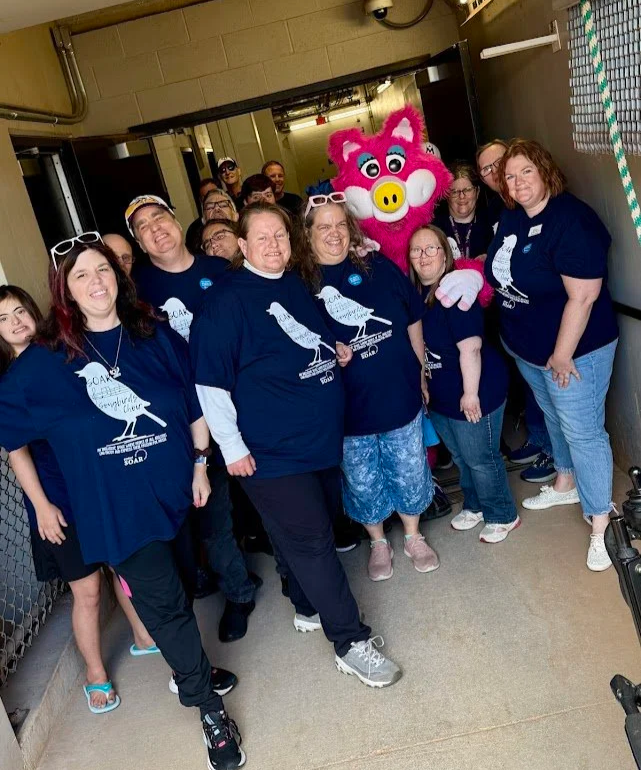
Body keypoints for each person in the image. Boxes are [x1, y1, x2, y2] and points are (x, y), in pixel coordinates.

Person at [0, 237, 244, 768]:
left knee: (182, 589)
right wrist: (40, 500)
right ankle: (206, 706)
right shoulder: (46, 363)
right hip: (115, 513)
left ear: (118, 276)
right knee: (169, 607)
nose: (95, 282)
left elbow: (191, 403)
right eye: (80, 275)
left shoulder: (151, 334)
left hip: (174, 496)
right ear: (64, 289)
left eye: (102, 270)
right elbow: (12, 434)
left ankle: (191, 668)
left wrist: (201, 463)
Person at [190, 203, 402, 688]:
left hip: (319, 441)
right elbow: (210, 385)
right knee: (312, 541)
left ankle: (306, 603)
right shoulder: (224, 303)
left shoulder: (291, 282)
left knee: (308, 528)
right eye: (261, 238)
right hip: (270, 451)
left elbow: (307, 335)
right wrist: (232, 447)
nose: (273, 245)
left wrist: (335, 348)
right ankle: (350, 641)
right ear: (241, 246)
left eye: (281, 236)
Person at [0, 284, 157, 715]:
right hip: (57, 501)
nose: (16, 322)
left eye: (20, 311)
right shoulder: (11, 384)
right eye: (3, 319)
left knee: (121, 564)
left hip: (94, 486)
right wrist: (42, 507)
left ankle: (144, 636)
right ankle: (95, 674)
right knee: (86, 590)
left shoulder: (65, 358)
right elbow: (18, 453)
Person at [128, 194, 260, 642]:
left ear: (175, 219)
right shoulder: (137, 289)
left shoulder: (217, 270)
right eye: (142, 226)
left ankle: (278, 571)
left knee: (263, 495)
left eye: (159, 217)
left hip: (240, 405)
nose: (155, 228)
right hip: (185, 421)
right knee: (212, 518)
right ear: (139, 241)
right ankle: (239, 594)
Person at [486, 139, 619, 571]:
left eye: (526, 171)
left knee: (583, 431)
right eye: (509, 175)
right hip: (528, 348)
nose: (518, 181)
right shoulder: (511, 218)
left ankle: (602, 524)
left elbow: (583, 297)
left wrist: (562, 356)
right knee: (556, 417)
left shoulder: (572, 220)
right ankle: (565, 481)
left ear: (545, 169)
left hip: (575, 352)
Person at [298, 194, 439, 581]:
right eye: (323, 227)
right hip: (346, 408)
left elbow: (412, 318)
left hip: (397, 392)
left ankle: (412, 535)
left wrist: (421, 370)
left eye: (340, 225)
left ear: (351, 229)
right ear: (307, 235)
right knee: (361, 479)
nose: (333, 234)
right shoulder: (299, 286)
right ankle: (378, 541)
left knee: (409, 468)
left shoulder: (377, 266)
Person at [409, 226, 520, 543]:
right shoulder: (418, 295)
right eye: (417, 250)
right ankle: (475, 505)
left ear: (445, 253)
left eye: (431, 248)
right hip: (443, 396)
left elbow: (470, 348)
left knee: (482, 459)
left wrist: (471, 394)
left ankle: (502, 514)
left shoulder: (456, 292)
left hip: (476, 390)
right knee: (461, 458)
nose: (424, 256)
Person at [477, 141, 556, 485]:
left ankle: (554, 456)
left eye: (501, 164)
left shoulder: (542, 208)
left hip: (546, 328)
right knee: (533, 390)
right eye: (488, 169)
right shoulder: (503, 210)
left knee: (553, 398)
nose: (495, 172)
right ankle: (541, 443)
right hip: (515, 325)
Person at [433, 162, 494, 261]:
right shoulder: (435, 228)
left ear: (477, 192)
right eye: (454, 191)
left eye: (468, 190)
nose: (462, 196)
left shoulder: (491, 223)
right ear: (447, 196)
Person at [476, 140, 509, 234]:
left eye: (499, 162)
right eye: (486, 169)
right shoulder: (490, 214)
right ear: (483, 180)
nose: (495, 171)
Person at [185, 177, 220, 254]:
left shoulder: (235, 217)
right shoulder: (194, 229)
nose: (211, 198)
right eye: (206, 196)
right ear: (201, 200)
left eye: (213, 193)